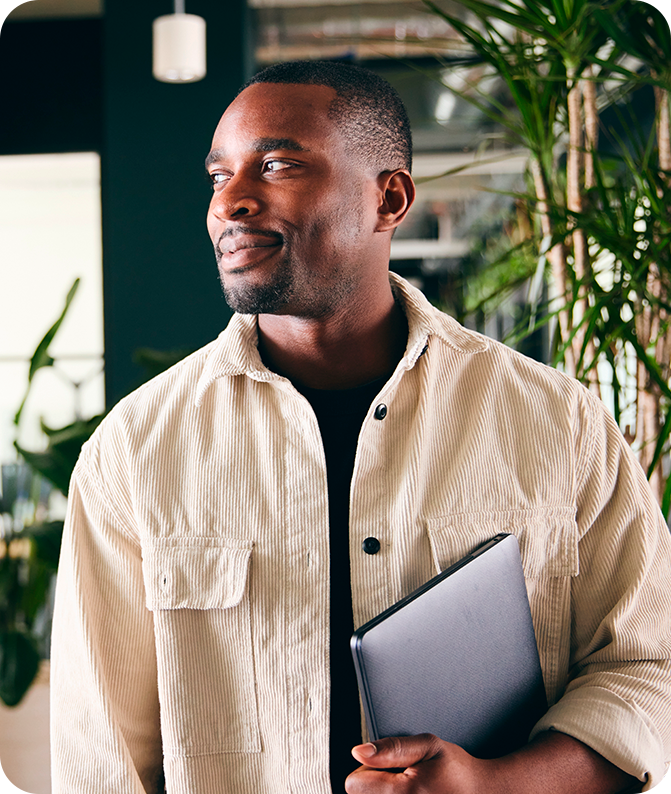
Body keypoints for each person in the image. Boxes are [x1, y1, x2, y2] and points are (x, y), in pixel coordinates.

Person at [50, 60, 671, 794]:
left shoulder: (555, 422)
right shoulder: (134, 452)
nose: (232, 203)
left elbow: (647, 667)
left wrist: (493, 785)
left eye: (277, 164)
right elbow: (102, 763)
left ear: (390, 198)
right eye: (219, 177)